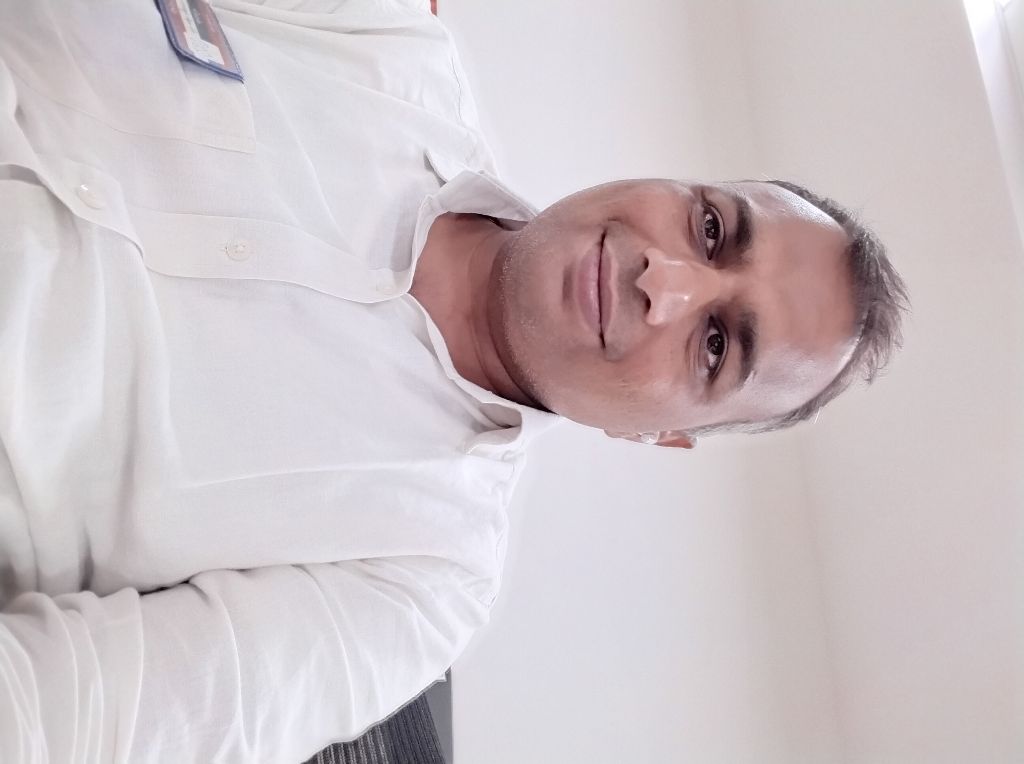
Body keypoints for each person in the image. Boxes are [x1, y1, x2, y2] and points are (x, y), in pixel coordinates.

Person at [0, 0, 908, 761]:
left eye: (715, 346)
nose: (661, 282)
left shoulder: (421, 586)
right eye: (710, 229)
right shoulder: (393, 42)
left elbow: (68, 721)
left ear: (659, 436)